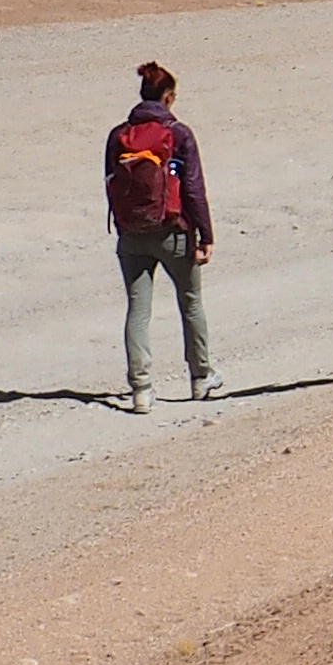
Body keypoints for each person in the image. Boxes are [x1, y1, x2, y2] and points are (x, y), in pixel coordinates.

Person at [106, 60, 218, 411]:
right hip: (173, 231)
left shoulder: (119, 134)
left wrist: (125, 226)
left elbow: (111, 185)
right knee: (191, 303)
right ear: (168, 97)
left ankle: (141, 389)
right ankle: (201, 378)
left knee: (138, 310)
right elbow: (194, 189)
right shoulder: (179, 133)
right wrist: (206, 235)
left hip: (132, 235)